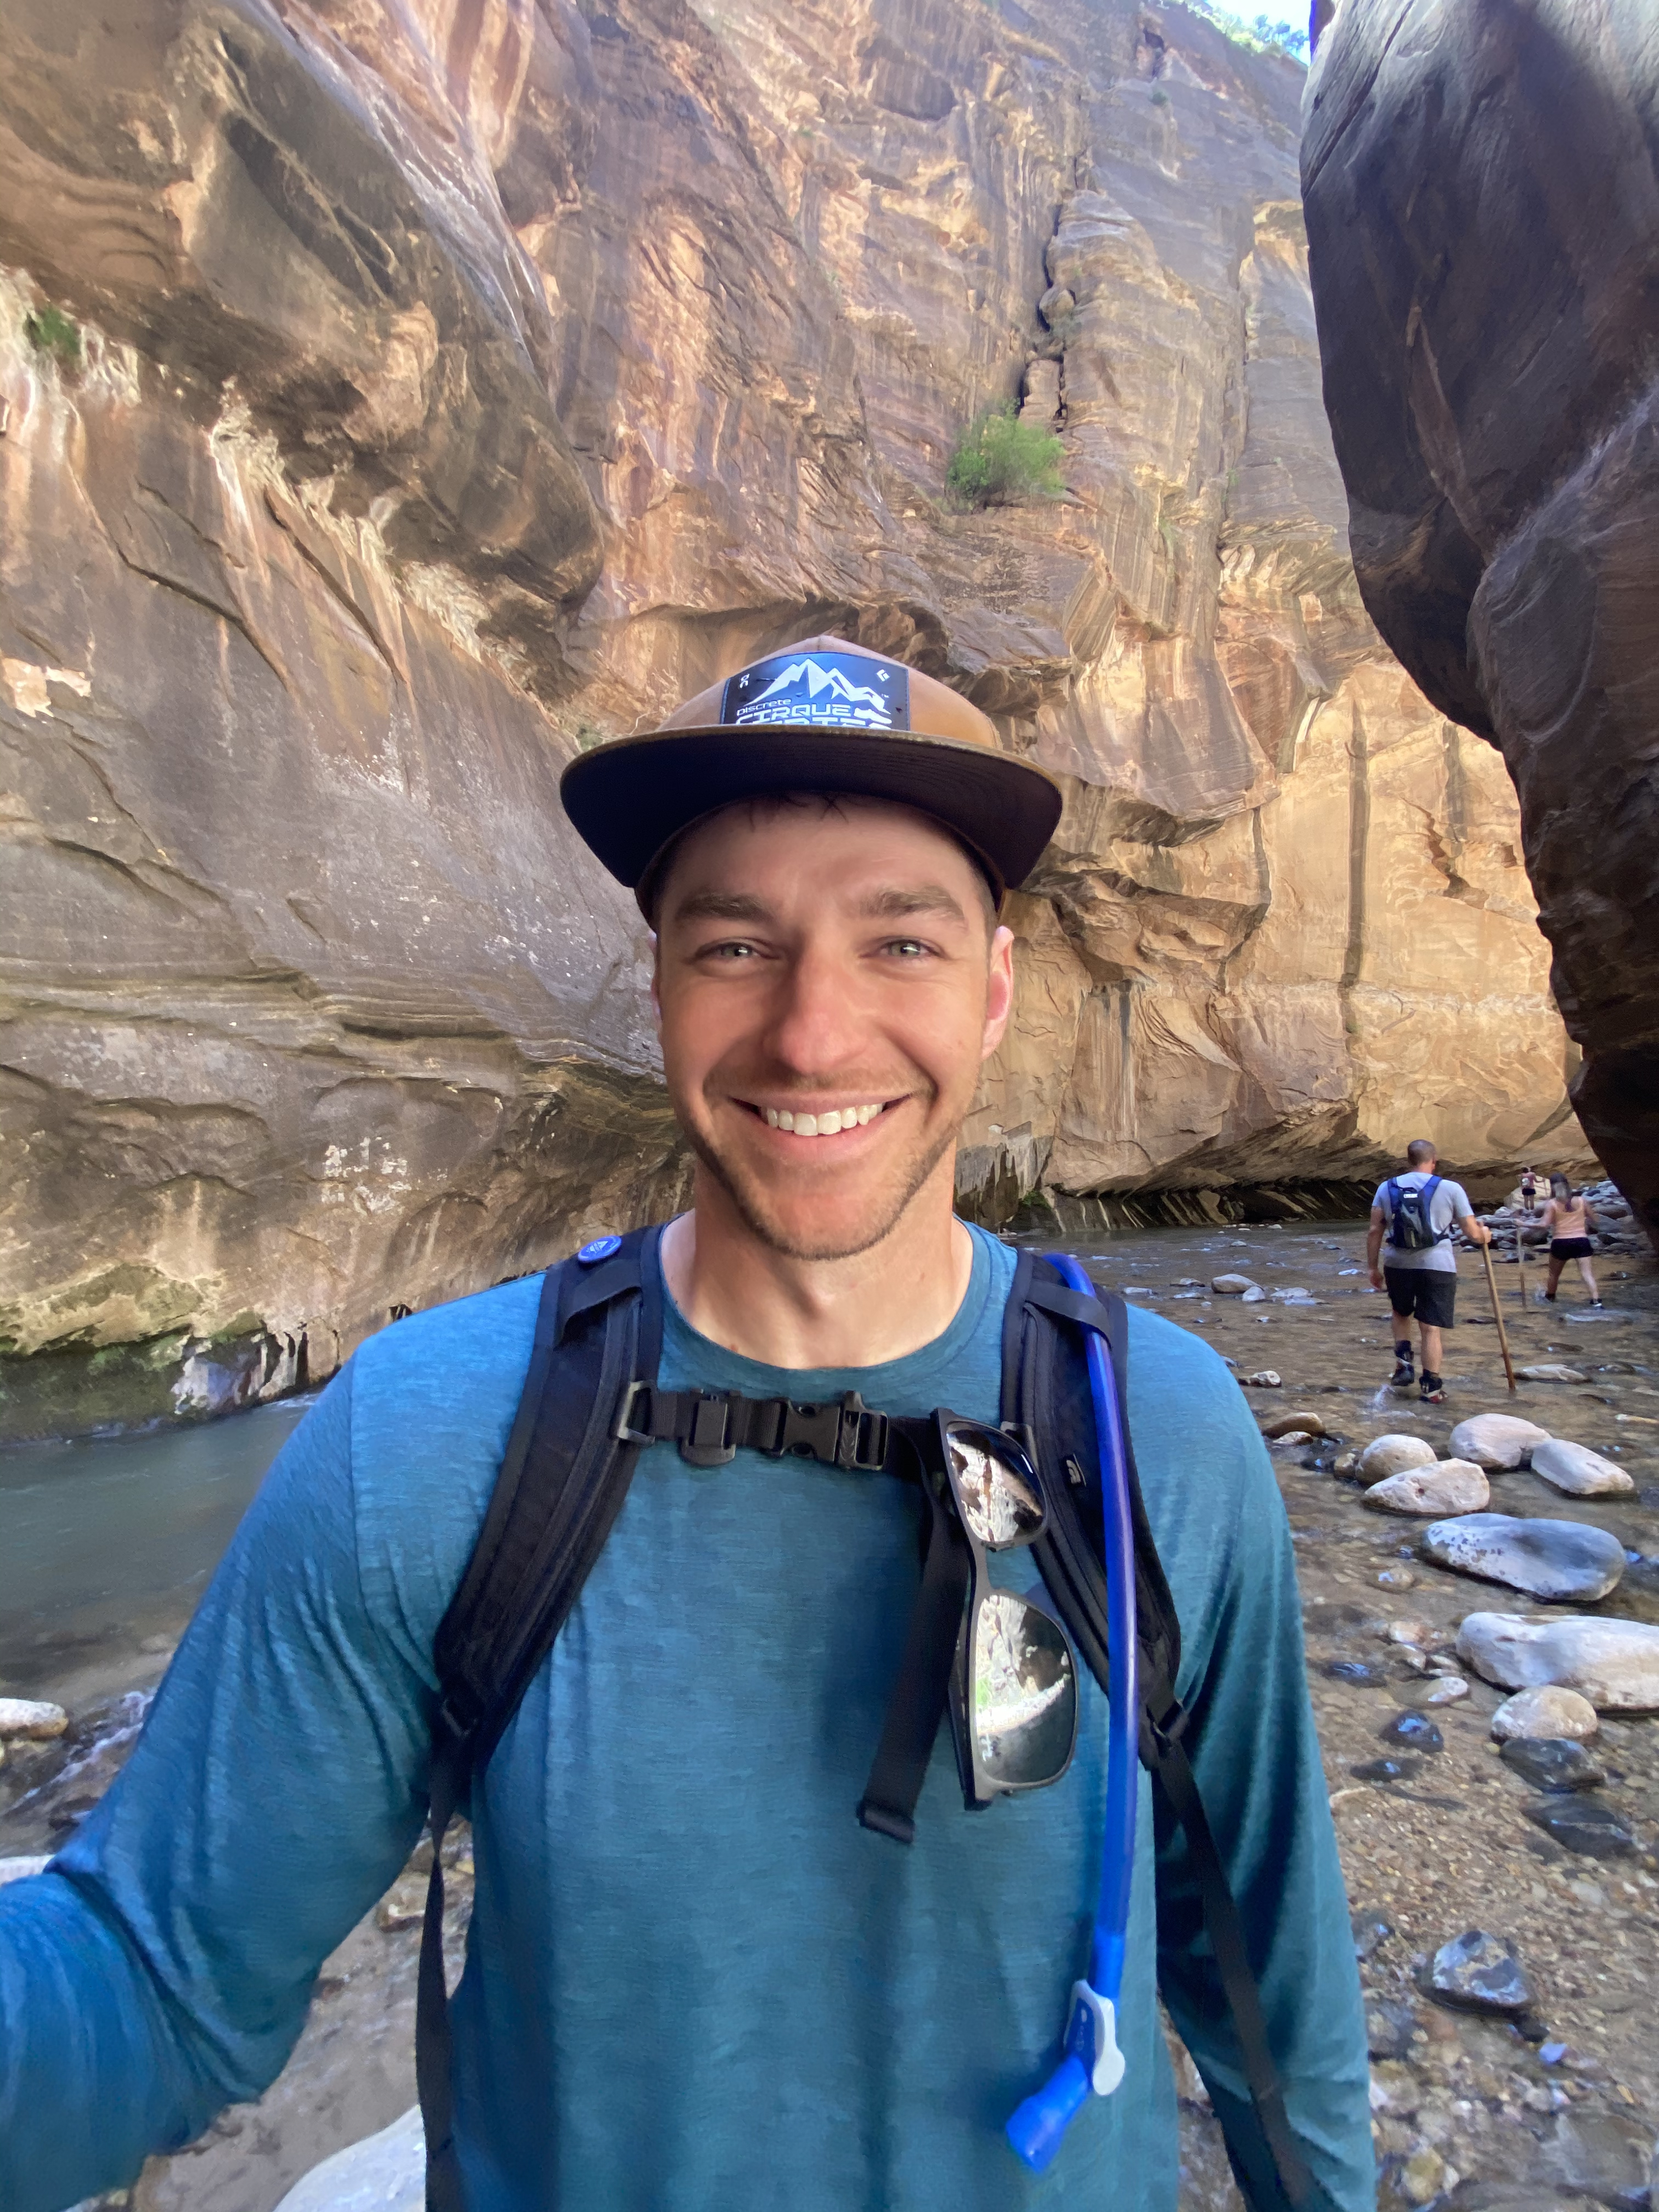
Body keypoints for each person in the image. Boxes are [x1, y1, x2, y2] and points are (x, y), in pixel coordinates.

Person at [0, 639, 1372, 2212]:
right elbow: (155, 1980)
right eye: (736, 947)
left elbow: (1269, 2008)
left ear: (994, 990)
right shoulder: (431, 1438)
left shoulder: (1160, 1429)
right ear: (656, 982)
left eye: (902, 944)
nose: (812, 1037)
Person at [1365, 1139, 1491, 1403]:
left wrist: (1372, 1267)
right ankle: (1431, 1388)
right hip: (1438, 1265)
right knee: (1430, 1328)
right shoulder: (1450, 1188)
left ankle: (1404, 1362)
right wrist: (1485, 1235)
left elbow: (1375, 1230)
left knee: (1401, 1313)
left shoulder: (1386, 1188)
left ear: (1408, 1161)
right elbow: (1471, 1233)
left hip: (1398, 1263)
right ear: (1433, 1161)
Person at [1538, 1173, 1601, 1306]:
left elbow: (1544, 1225)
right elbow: (1595, 1219)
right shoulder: (1581, 1201)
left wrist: (1522, 1224)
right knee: (1587, 1274)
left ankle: (1550, 1299)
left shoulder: (1552, 1204)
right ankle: (1597, 1302)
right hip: (1581, 1241)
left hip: (1561, 1243)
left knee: (1554, 1275)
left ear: (1552, 1187)